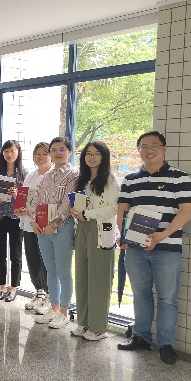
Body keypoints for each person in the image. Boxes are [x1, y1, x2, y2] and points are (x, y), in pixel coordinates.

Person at [116, 131, 191, 364]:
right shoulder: (130, 179)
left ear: (164, 148)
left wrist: (161, 236)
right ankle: (140, 337)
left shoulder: (180, 178)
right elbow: (123, 210)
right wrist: (124, 235)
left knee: (167, 298)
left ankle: (165, 344)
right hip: (135, 248)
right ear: (139, 150)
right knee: (140, 295)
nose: (149, 150)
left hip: (167, 248)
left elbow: (186, 212)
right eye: (144, 146)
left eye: (154, 146)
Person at [68, 141, 119, 341]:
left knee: (99, 280)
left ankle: (98, 328)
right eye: (88, 153)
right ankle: (83, 322)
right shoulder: (83, 179)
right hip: (82, 228)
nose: (92, 157)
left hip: (100, 231)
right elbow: (79, 203)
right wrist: (75, 211)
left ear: (103, 157)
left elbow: (114, 207)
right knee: (82, 277)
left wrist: (88, 214)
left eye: (96, 153)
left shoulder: (110, 180)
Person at [30, 136, 78, 329]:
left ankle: (64, 312)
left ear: (70, 152)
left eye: (62, 149)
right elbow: (36, 200)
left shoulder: (74, 174)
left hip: (62, 228)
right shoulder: (47, 175)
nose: (58, 153)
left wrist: (54, 223)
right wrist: (34, 221)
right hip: (42, 228)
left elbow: (68, 203)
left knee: (64, 272)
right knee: (51, 271)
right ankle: (54, 308)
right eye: (54, 150)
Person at [14, 142, 51, 313]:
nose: (41, 157)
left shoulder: (52, 176)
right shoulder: (30, 175)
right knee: (32, 259)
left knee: (45, 261)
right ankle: (39, 291)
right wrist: (19, 207)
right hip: (28, 223)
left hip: (43, 225)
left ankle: (49, 296)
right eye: (38, 154)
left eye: (45, 154)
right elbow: (22, 197)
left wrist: (31, 212)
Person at [0, 139, 27, 301]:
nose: (9, 154)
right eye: (6, 151)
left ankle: (13, 289)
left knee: (15, 254)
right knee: (0, 254)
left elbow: (26, 200)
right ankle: (2, 287)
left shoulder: (25, 174)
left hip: (16, 218)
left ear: (18, 152)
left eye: (12, 150)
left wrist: (16, 195)